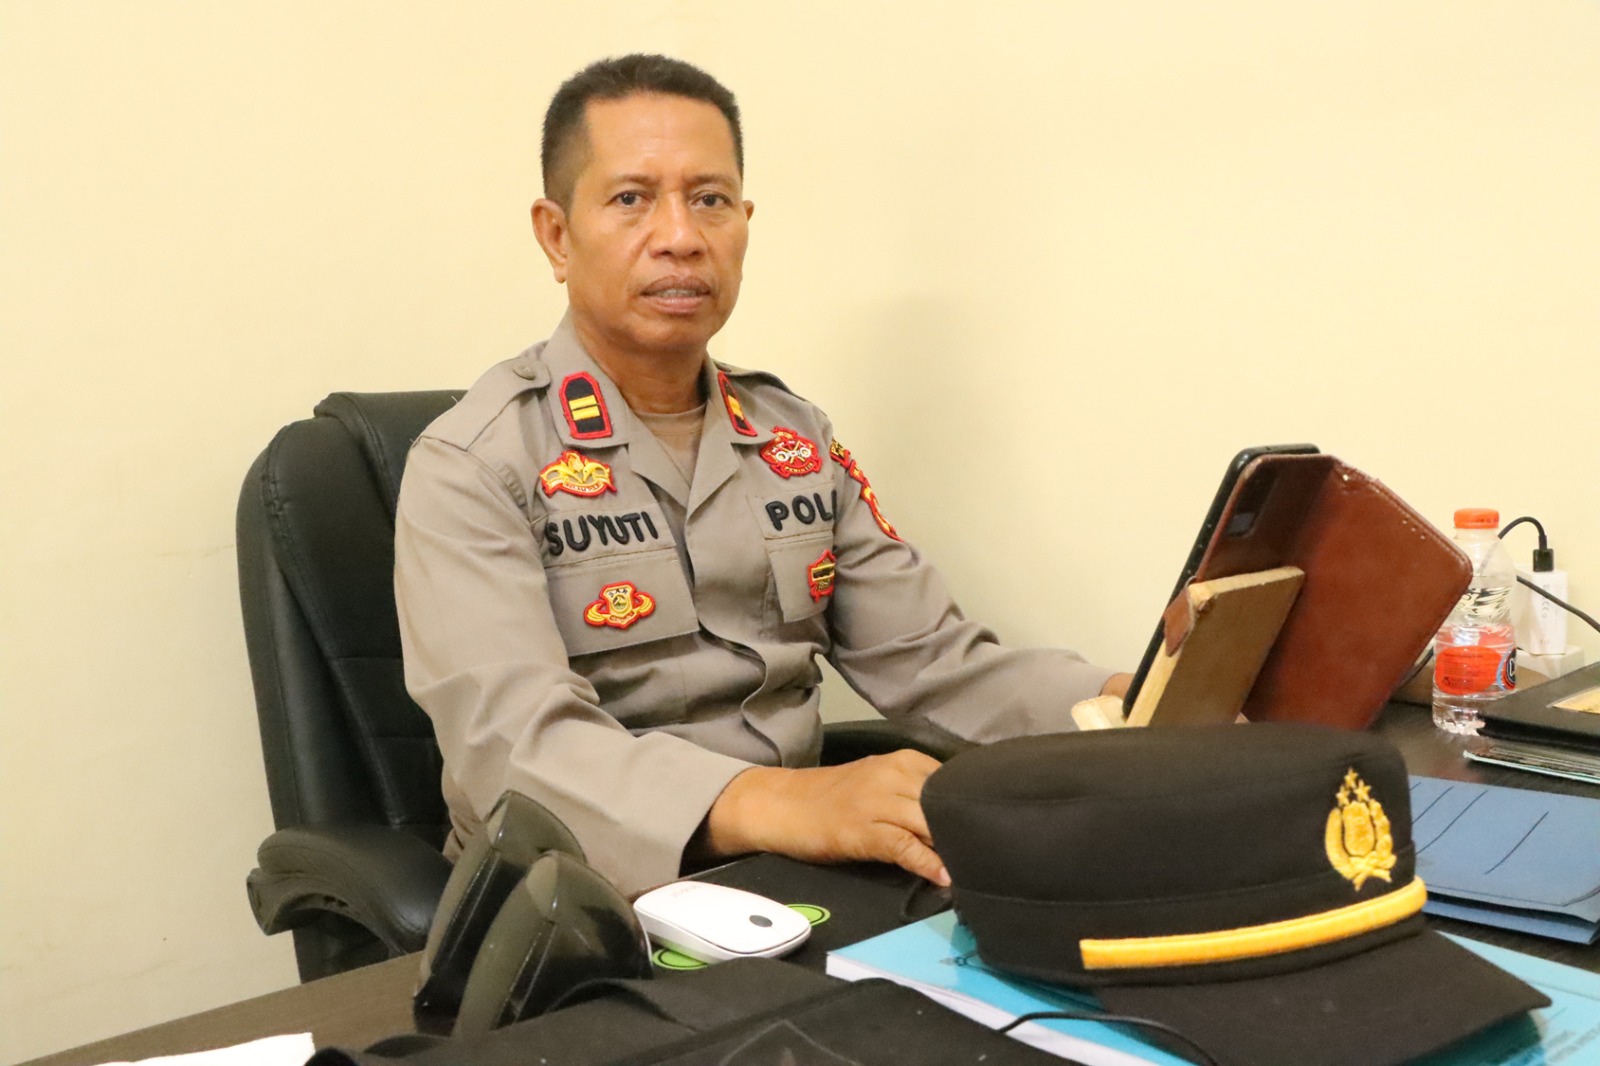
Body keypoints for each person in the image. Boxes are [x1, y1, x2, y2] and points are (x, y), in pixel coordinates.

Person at [395, 54, 1130, 897]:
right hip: (574, 896)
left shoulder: (793, 440)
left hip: (790, 873)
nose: (680, 236)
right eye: (631, 199)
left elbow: (934, 663)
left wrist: (1132, 702)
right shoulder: (473, 463)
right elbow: (514, 751)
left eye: (709, 200)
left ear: (744, 222)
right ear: (557, 235)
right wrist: (784, 801)